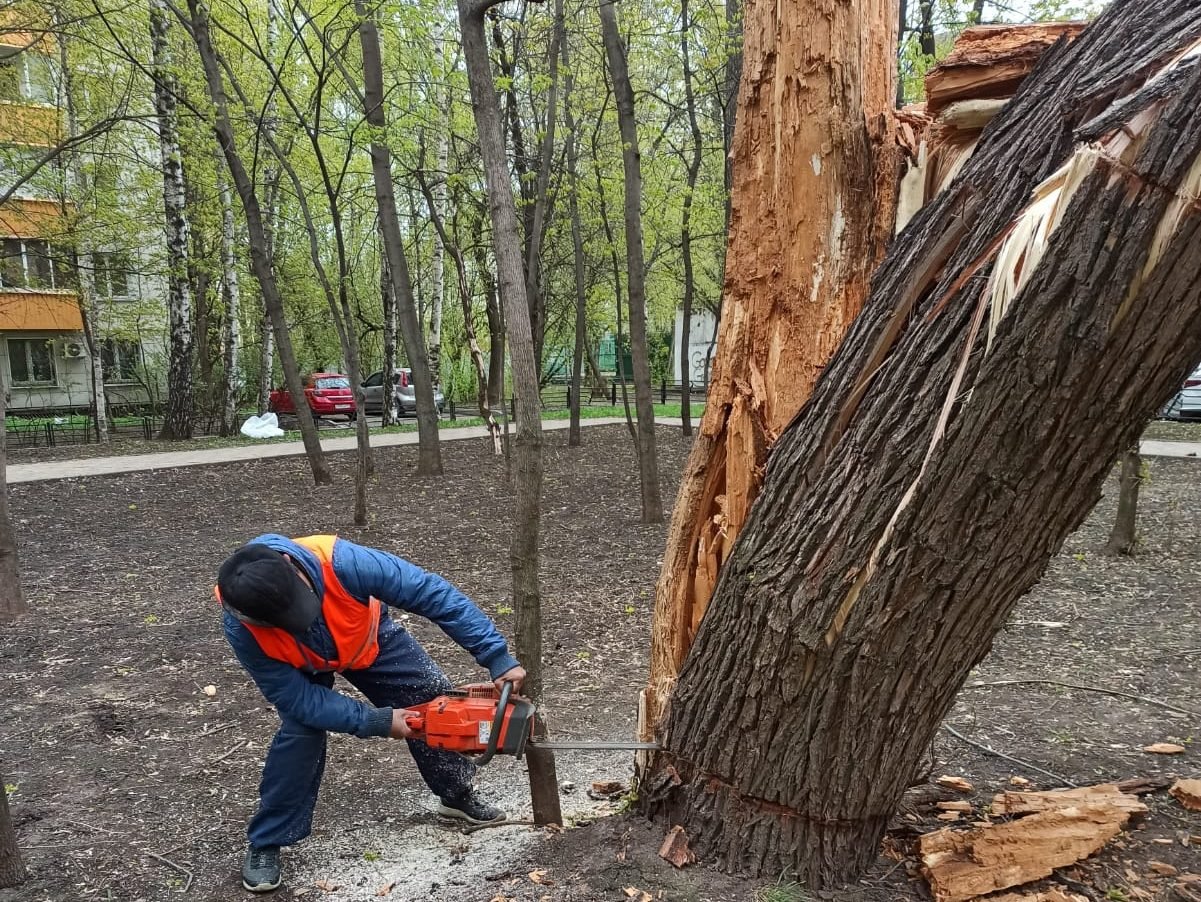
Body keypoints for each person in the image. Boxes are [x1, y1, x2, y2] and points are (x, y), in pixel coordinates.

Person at [215, 533, 526, 893]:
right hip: (298, 667)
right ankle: (268, 840)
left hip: (365, 639)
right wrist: (376, 721)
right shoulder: (240, 627)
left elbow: (431, 593)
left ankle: (456, 793)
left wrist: (495, 655)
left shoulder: (343, 562)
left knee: (430, 699)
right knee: (301, 734)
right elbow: (296, 697)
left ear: (291, 566)